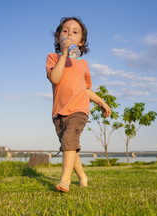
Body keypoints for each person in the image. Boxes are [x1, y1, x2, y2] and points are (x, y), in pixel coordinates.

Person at [46, 17, 111, 192]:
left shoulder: (83, 65)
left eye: (75, 32)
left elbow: (86, 89)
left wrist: (101, 102)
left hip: (79, 110)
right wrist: (64, 55)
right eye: (65, 31)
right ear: (58, 38)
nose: (69, 35)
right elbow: (55, 78)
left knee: (69, 141)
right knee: (70, 147)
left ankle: (65, 180)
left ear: (81, 42)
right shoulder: (53, 57)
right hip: (59, 113)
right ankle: (83, 177)